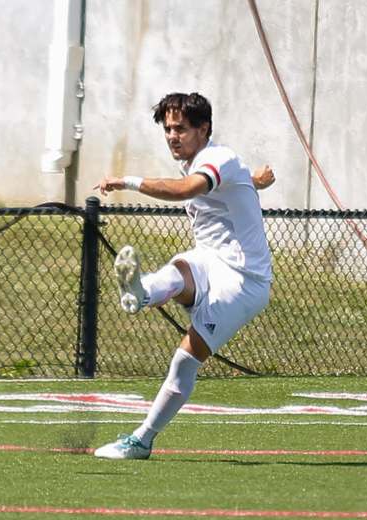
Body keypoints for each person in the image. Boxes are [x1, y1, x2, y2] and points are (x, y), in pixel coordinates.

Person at [93, 92, 274, 460]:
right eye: (168, 129)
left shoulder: (215, 159)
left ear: (203, 129)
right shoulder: (211, 162)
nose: (173, 136)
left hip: (244, 281)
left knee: (184, 361)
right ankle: (140, 292)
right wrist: (255, 179)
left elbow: (186, 190)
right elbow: (234, 182)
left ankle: (142, 440)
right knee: (178, 271)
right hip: (209, 260)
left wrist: (127, 181)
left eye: (181, 129)